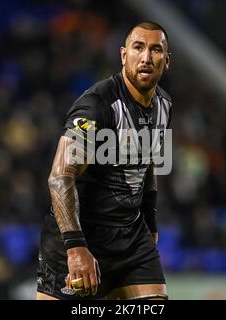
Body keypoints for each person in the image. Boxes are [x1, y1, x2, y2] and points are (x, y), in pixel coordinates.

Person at [36, 21, 172, 300]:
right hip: (80, 237)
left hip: (131, 239)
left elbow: (147, 164)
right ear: (124, 55)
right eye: (138, 48)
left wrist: (151, 220)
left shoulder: (165, 105)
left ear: (166, 61)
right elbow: (60, 177)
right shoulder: (97, 105)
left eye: (155, 50)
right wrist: (75, 248)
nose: (146, 57)